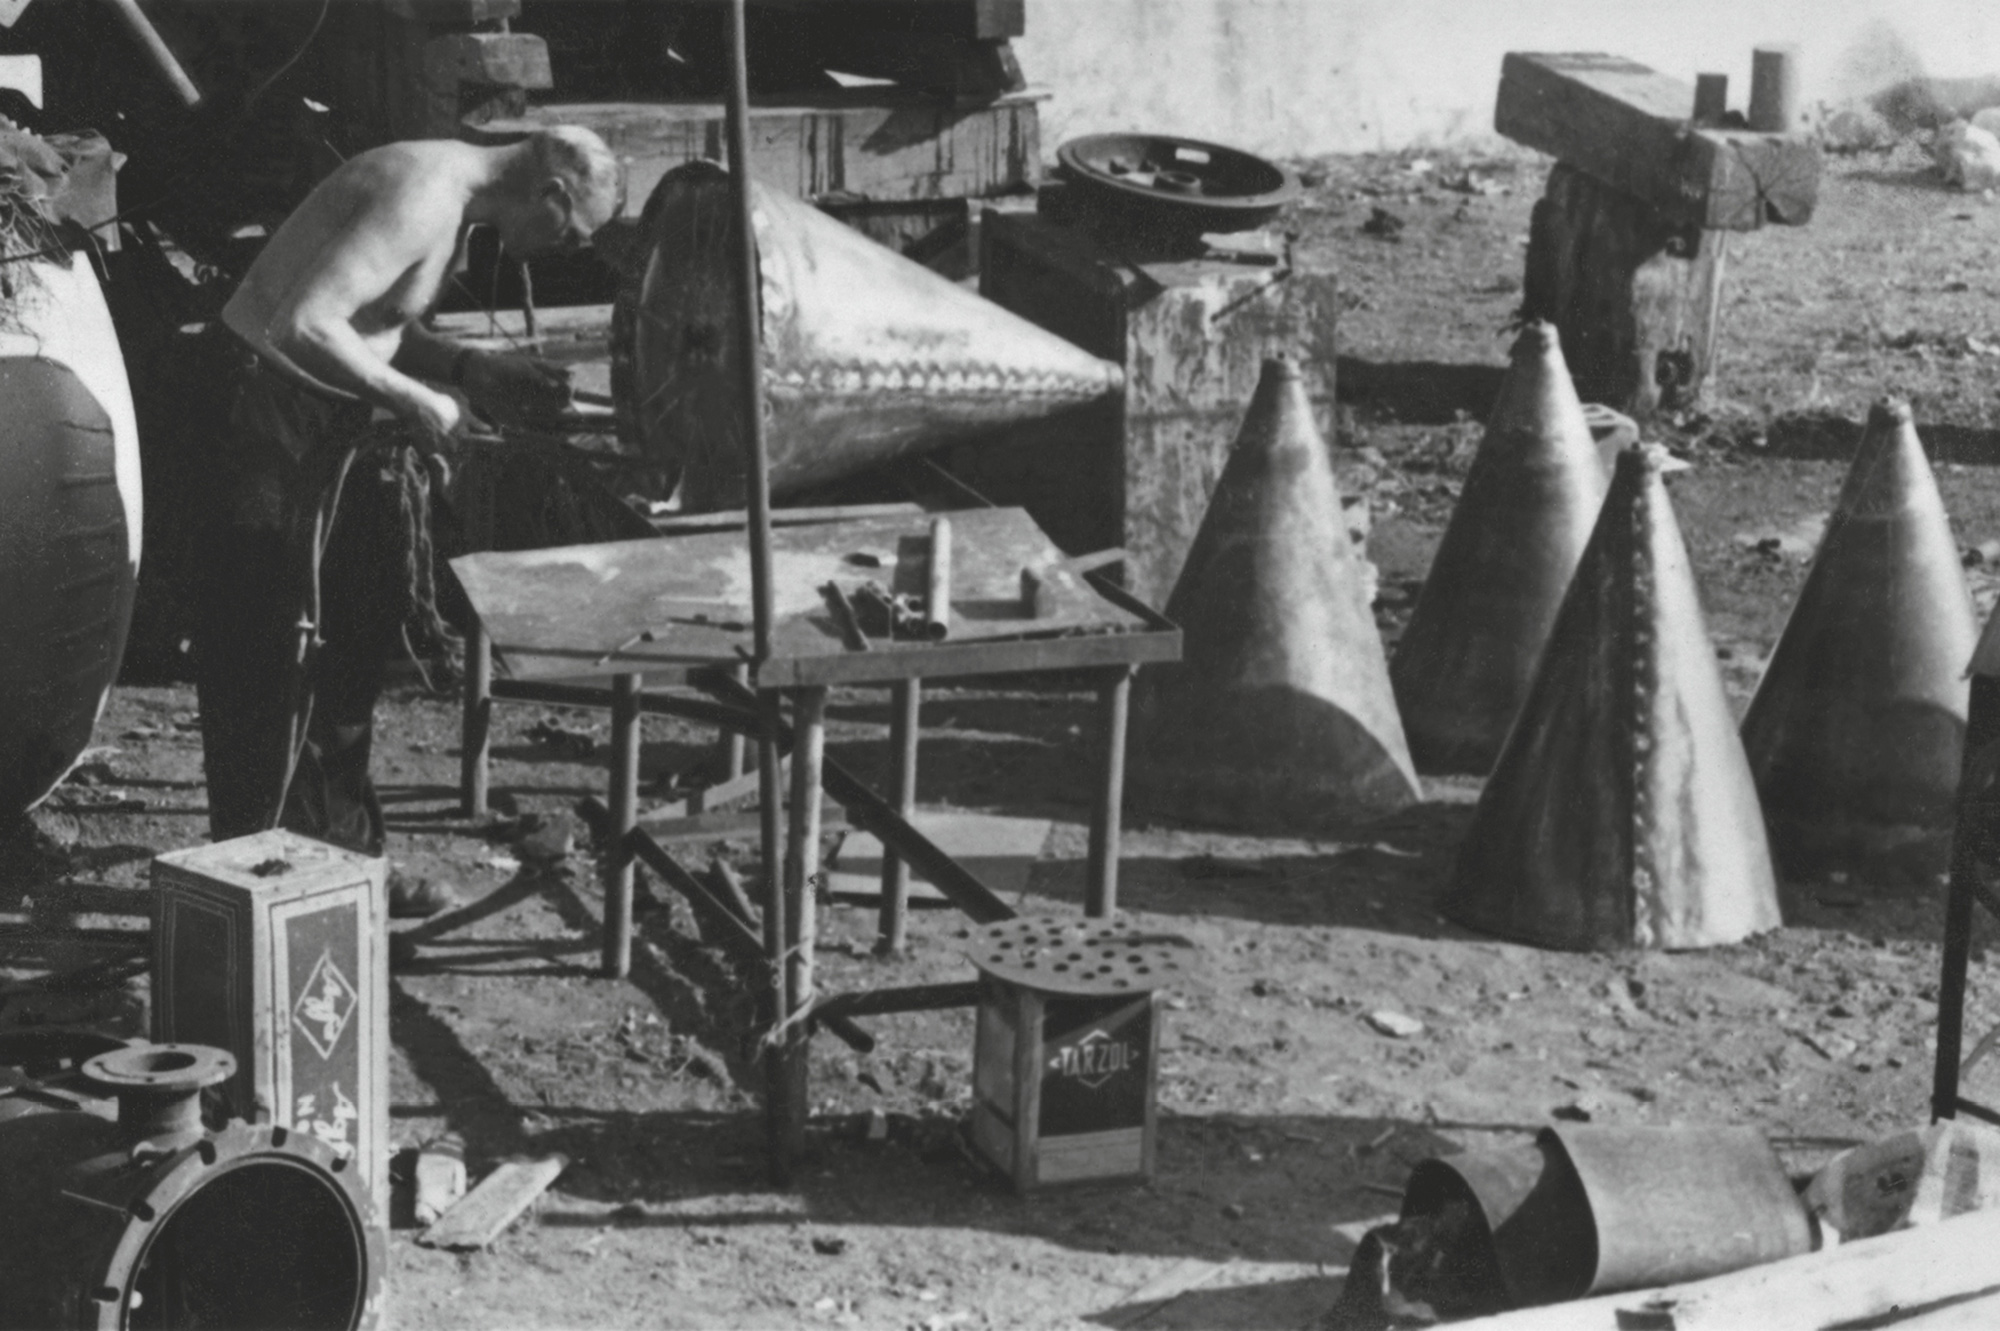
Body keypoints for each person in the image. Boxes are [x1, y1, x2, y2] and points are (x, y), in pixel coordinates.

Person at [195, 127, 623, 913]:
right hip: (269, 415)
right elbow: (307, 324)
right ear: (553, 194)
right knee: (277, 660)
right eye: (573, 231)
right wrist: (415, 399)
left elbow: (377, 321)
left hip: (324, 418)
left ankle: (350, 869)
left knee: (350, 651)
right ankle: (270, 887)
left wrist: (468, 367)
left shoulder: (455, 204)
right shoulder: (423, 194)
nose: (565, 249)